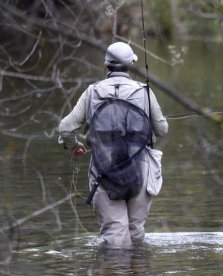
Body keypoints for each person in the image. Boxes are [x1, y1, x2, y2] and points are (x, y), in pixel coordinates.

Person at [58, 42, 168, 248]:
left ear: (105, 66)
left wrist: (74, 145)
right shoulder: (145, 92)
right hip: (140, 170)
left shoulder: (92, 92)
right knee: (135, 233)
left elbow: (65, 127)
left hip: (103, 171)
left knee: (115, 238)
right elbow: (162, 130)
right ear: (131, 66)